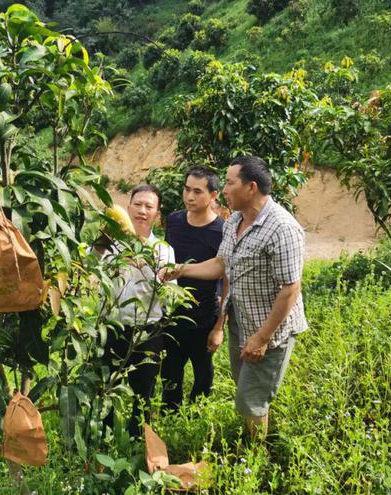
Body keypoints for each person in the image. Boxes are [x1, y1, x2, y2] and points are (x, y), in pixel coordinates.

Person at [160, 156, 307, 438]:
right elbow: (221, 263)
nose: (224, 190)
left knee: (249, 400)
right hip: (241, 322)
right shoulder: (235, 221)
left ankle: (254, 458)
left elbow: (290, 289)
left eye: (229, 183)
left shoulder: (282, 228)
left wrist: (261, 338)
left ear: (251, 187)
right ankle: (258, 435)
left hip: (270, 330)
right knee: (247, 390)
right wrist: (179, 270)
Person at [102, 184, 176, 436]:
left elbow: (170, 296)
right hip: (112, 327)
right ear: (128, 206)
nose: (142, 211)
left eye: (149, 207)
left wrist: (144, 263)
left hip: (148, 332)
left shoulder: (164, 250)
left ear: (157, 214)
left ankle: (138, 441)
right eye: (138, 204)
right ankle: (103, 437)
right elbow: (91, 271)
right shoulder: (111, 244)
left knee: (143, 393)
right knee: (105, 388)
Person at [161, 167, 227, 411]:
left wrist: (219, 326)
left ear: (213, 195)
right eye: (187, 189)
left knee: (203, 376)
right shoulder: (175, 221)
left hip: (204, 317)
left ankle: (197, 419)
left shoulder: (222, 231)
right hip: (172, 317)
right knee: (169, 377)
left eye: (197, 192)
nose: (189, 196)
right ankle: (169, 420)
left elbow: (226, 278)